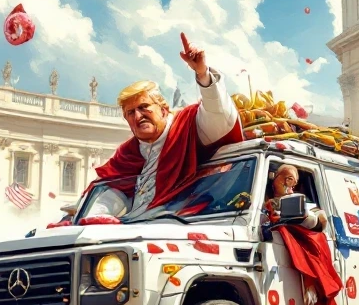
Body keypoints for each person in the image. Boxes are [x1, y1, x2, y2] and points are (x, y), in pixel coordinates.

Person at [90, 33, 242, 220]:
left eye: (144, 107)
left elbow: (218, 115)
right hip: (135, 226)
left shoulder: (188, 127)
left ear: (163, 110)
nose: (138, 116)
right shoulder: (128, 154)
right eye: (130, 113)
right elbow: (113, 192)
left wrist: (202, 73)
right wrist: (97, 216)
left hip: (185, 225)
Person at [264, 164, 328, 233]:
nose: (287, 182)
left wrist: (309, 217)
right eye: (287, 178)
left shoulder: (299, 199)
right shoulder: (262, 194)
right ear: (275, 177)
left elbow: (322, 218)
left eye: (292, 183)